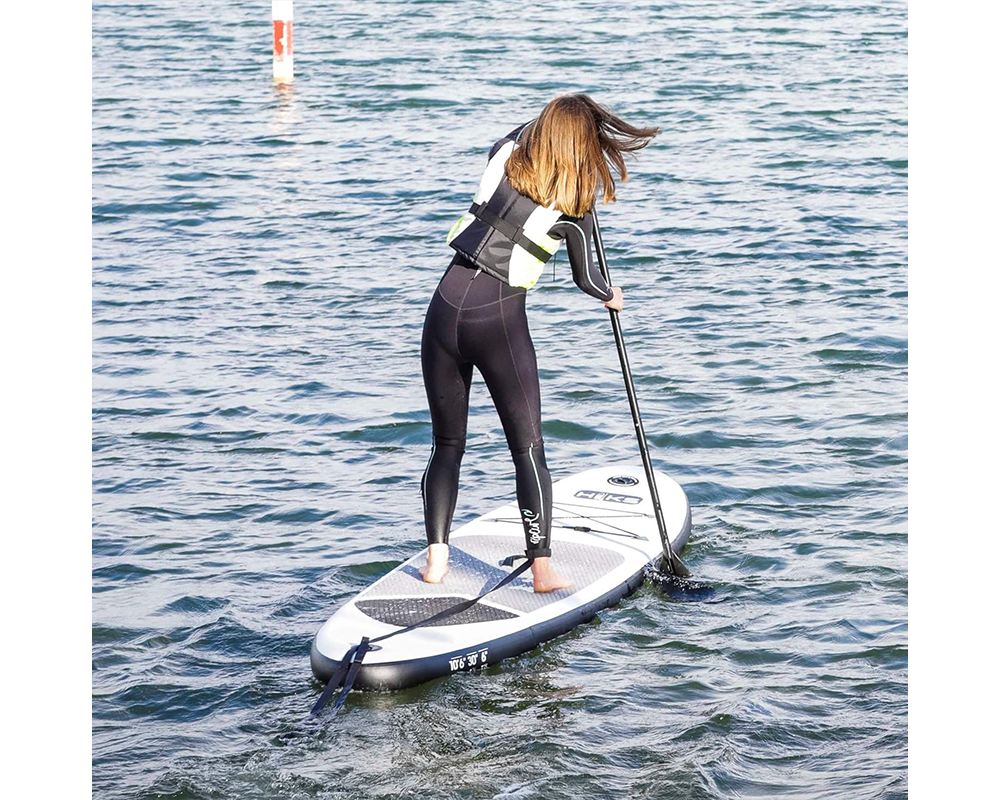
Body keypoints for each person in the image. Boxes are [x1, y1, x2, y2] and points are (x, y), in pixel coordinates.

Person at [419, 94, 659, 592]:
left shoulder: (501, 156)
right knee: (528, 451)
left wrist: (557, 116)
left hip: (442, 311)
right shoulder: (573, 205)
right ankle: (542, 570)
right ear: (580, 146)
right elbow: (587, 279)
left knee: (446, 444)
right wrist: (611, 296)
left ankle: (436, 563)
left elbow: (521, 132)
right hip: (496, 323)